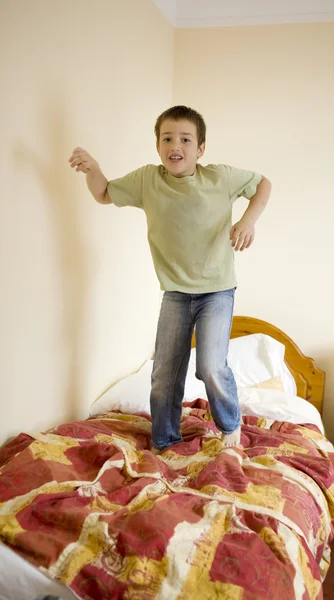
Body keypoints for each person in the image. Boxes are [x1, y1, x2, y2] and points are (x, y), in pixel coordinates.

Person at [69, 105, 271, 452]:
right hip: (175, 294)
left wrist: (248, 221)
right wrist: (94, 170)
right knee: (163, 372)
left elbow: (263, 184)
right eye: (167, 138)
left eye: (185, 139)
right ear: (158, 146)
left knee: (210, 365)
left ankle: (229, 425)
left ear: (200, 149)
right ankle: (164, 440)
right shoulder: (148, 180)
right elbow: (103, 193)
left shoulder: (219, 178)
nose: (175, 144)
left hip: (217, 292)